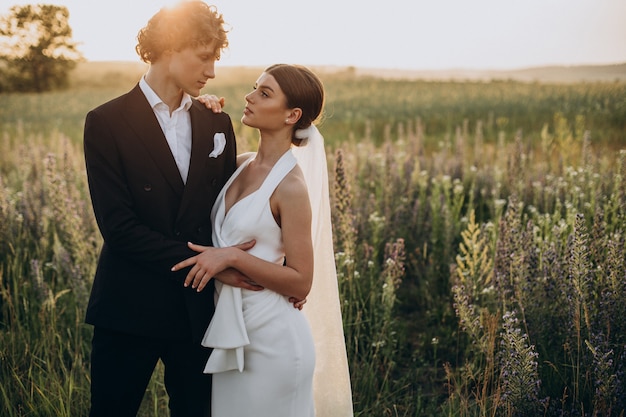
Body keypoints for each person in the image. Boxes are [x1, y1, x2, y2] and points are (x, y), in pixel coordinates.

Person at [82, 2, 260, 416]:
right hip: (128, 305)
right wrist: (211, 263)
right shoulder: (105, 122)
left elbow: (224, 211)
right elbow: (119, 228)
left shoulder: (217, 122)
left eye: (215, 59)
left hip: (197, 311)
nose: (212, 71)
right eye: (204, 57)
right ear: (169, 48)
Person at [172, 64, 354, 416]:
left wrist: (231, 258)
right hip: (230, 334)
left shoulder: (291, 187)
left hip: (273, 340)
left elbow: (301, 282)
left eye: (264, 93)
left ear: (292, 115)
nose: (249, 97)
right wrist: (202, 109)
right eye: (255, 88)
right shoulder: (239, 165)